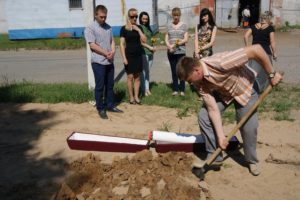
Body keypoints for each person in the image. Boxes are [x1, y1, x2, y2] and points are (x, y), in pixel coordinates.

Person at [176, 45, 283, 176]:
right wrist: (221, 137)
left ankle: (251, 160)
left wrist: (271, 74)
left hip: (246, 88)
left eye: (189, 80)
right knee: (204, 116)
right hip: (225, 93)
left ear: (197, 70)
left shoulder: (222, 62)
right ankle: (214, 155)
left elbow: (257, 50)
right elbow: (212, 108)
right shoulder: (198, 82)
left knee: (249, 127)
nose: (190, 84)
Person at [84, 5, 123, 120]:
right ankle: (100, 108)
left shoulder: (108, 27)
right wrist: (106, 53)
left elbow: (112, 41)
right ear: (96, 15)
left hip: (109, 61)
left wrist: (113, 51)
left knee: (110, 85)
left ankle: (110, 105)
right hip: (98, 62)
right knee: (100, 86)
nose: (103, 19)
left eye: (105, 17)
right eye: (101, 17)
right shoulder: (90, 28)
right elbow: (92, 45)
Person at [244, 11, 277, 93]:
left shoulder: (253, 26)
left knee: (252, 72)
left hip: (254, 52)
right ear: (269, 19)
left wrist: (248, 47)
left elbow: (245, 36)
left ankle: (250, 89)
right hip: (266, 52)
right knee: (267, 71)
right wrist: (274, 53)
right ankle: (264, 89)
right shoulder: (270, 28)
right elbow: (272, 42)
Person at [120, 8, 146, 104]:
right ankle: (131, 97)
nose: (134, 18)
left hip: (138, 55)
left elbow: (144, 40)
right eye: (132, 16)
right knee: (130, 77)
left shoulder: (140, 27)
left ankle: (136, 97)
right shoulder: (124, 29)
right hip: (129, 56)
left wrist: (138, 30)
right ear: (128, 17)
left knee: (137, 77)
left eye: (136, 16)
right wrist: (124, 58)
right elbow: (122, 44)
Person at [165, 7, 189, 96]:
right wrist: (169, 45)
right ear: (172, 15)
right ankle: (175, 89)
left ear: (180, 15)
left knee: (181, 71)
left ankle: (182, 89)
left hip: (181, 52)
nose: (176, 17)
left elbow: (186, 39)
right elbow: (166, 37)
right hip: (171, 52)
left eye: (177, 15)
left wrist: (176, 44)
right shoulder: (168, 25)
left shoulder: (184, 25)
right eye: (174, 15)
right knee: (174, 71)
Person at [139, 11, 156, 96]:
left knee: (147, 71)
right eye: (143, 19)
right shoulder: (140, 28)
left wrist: (154, 45)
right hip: (144, 52)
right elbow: (140, 42)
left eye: (146, 19)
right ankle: (143, 90)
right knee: (143, 72)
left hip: (151, 52)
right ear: (140, 19)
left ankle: (147, 89)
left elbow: (151, 39)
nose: (145, 20)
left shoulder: (149, 28)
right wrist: (149, 47)